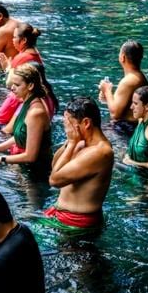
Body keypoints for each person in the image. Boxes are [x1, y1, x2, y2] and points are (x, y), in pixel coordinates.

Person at [44, 97, 114, 230]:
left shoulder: (100, 152)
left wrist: (71, 144)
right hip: (61, 215)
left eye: (69, 124)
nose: (67, 128)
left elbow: (54, 180)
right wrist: (69, 143)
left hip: (77, 224)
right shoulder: (81, 143)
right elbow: (55, 166)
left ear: (86, 123)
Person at [0, 64, 52, 171]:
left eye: (17, 85)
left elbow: (30, 156)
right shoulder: (26, 102)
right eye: (13, 84)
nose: (12, 88)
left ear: (30, 86)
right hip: (21, 164)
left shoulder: (36, 113)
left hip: (34, 172)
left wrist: (1, 159)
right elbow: (22, 135)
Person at [0, 23, 44, 126]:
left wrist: (7, 67)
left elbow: (10, 83)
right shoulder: (35, 54)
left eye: (14, 37)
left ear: (23, 40)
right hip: (28, 96)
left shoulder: (21, 57)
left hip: (18, 98)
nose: (12, 40)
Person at [99, 40, 148, 129]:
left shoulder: (128, 81)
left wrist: (107, 90)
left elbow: (115, 114)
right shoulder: (140, 77)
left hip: (126, 129)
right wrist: (108, 98)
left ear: (123, 57)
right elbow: (123, 107)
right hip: (133, 126)